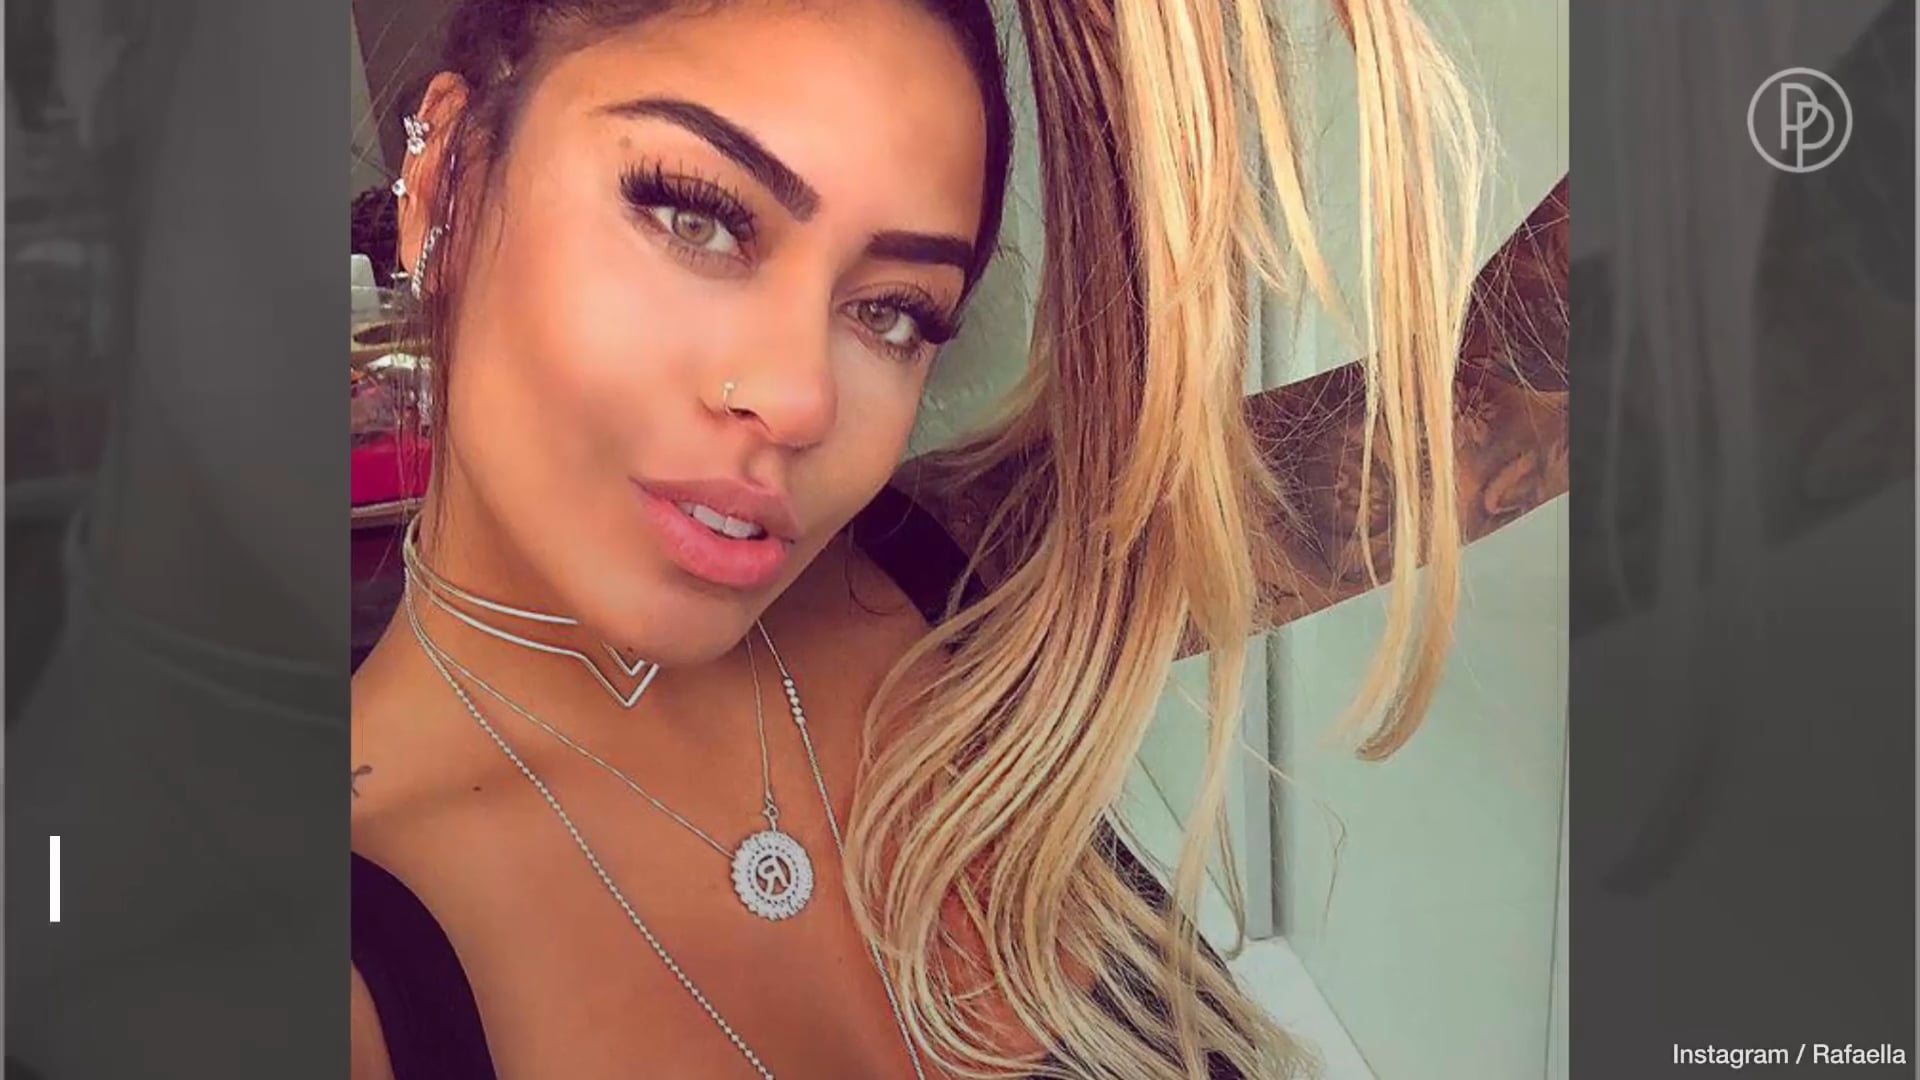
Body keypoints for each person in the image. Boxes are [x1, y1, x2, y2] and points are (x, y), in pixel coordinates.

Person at [349, 1, 1568, 1077]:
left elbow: (1496, 417)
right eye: (699, 220)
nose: (801, 399)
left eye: (892, 313)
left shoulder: (943, 575)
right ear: (444, 179)